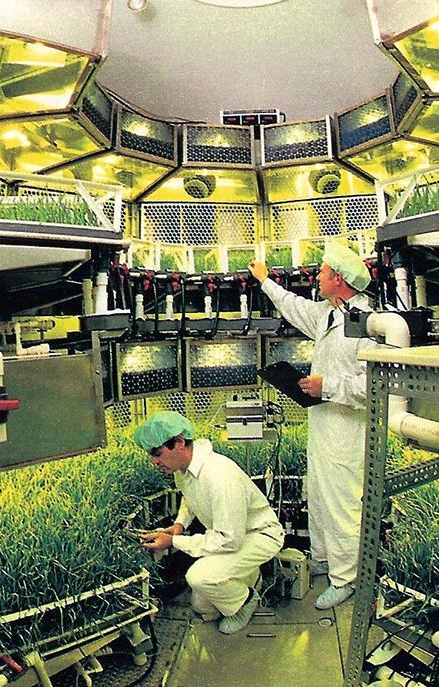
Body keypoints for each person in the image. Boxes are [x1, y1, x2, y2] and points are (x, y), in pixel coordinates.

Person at [248, 241, 376, 610]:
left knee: (341, 504)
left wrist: (328, 386)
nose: (316, 277)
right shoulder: (327, 314)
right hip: (322, 420)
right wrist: (265, 281)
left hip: (347, 429)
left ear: (338, 279)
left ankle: (346, 578)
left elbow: (373, 386)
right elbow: (292, 306)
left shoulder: (367, 324)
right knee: (318, 495)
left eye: (321, 272)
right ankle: (323, 557)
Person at [134, 410, 284, 634]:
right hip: (233, 535)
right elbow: (189, 496)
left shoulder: (218, 476)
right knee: (202, 606)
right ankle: (251, 578)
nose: (154, 461)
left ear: (180, 442)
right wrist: (180, 525)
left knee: (199, 577)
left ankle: (247, 600)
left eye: (158, 452)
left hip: (259, 536)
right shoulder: (184, 468)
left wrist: (174, 542)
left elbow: (229, 540)